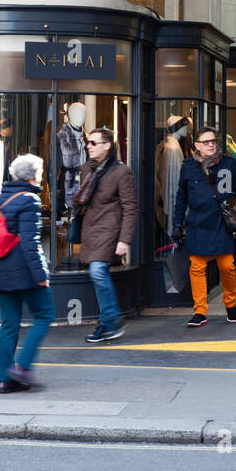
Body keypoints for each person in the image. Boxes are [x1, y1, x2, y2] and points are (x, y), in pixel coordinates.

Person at [172, 126, 236, 327]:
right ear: (197, 146)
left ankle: (231, 305)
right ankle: (200, 311)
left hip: (221, 223)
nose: (211, 145)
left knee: (228, 267)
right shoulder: (188, 166)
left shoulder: (228, 163)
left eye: (213, 141)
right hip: (197, 223)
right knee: (197, 268)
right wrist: (177, 223)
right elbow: (181, 197)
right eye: (206, 142)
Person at [0, 154, 54, 393]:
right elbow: (30, 242)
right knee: (45, 314)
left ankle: (5, 380)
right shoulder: (30, 200)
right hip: (24, 272)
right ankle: (23, 368)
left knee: (9, 324)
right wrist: (41, 274)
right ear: (32, 176)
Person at [75, 126, 137, 343]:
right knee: (96, 272)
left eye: (93, 143)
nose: (88, 146)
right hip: (90, 230)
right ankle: (107, 322)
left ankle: (111, 321)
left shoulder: (122, 172)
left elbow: (131, 208)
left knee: (98, 270)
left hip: (109, 231)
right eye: (88, 142)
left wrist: (124, 240)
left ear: (107, 146)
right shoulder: (86, 169)